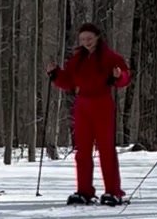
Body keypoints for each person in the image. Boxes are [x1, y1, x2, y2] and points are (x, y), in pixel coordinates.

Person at [47, 22, 131, 205]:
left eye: (89, 39)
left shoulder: (110, 57)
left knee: (106, 150)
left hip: (102, 103)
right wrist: (55, 74)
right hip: (82, 105)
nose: (87, 42)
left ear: (97, 38)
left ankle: (113, 191)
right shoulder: (77, 59)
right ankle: (84, 190)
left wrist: (118, 76)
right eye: (83, 39)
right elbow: (67, 81)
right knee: (82, 151)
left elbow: (124, 77)